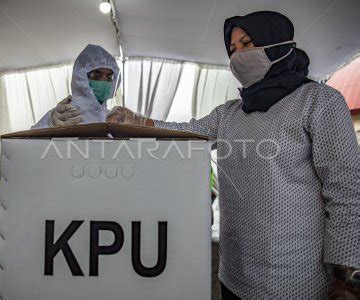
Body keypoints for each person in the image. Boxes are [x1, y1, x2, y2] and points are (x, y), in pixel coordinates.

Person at [104, 11, 360, 299]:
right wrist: (139, 122)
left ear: (279, 44)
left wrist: (347, 274)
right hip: (235, 273)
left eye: (247, 43)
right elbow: (187, 132)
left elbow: (346, 191)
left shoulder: (318, 101)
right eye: (232, 49)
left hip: (296, 279)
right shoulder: (229, 113)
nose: (237, 55)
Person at [32, 44, 121, 128]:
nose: (104, 81)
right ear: (81, 77)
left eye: (109, 76)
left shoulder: (112, 117)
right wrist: (49, 125)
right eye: (97, 75)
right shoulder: (62, 116)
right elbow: (30, 141)